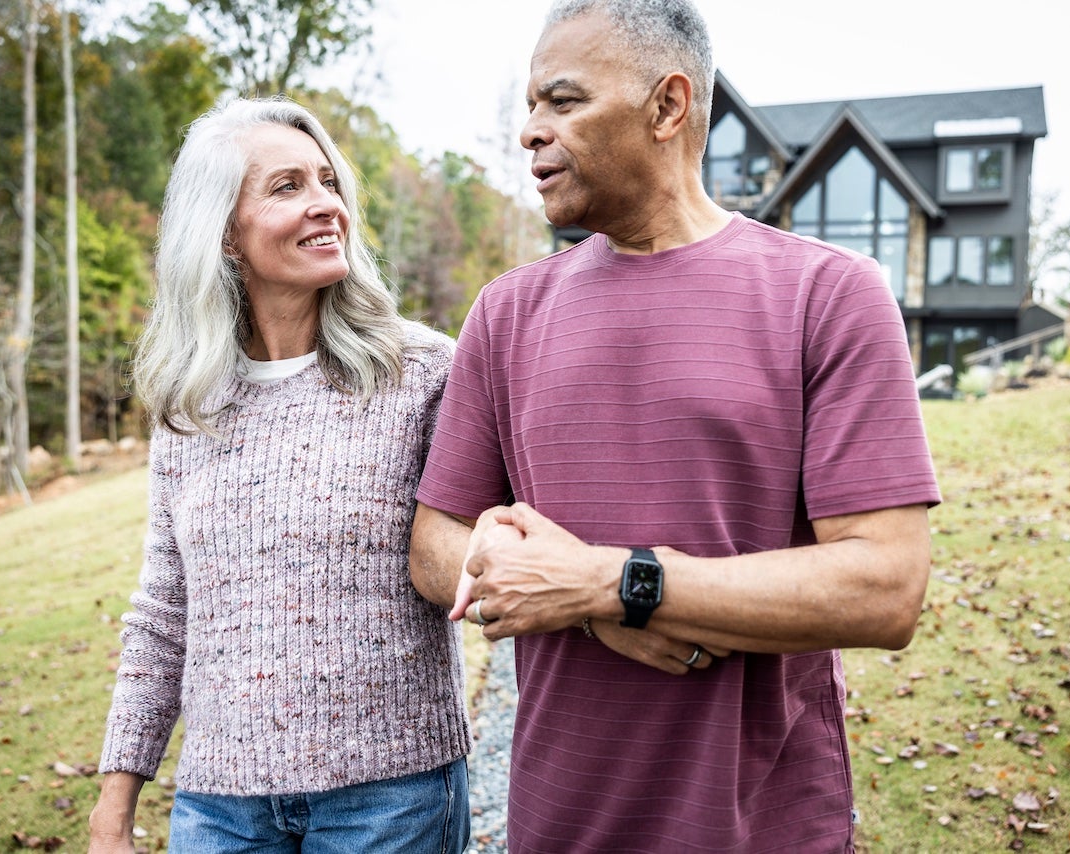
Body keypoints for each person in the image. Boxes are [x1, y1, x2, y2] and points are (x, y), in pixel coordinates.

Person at [409, 0, 941, 851]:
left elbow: (886, 587)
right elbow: (435, 547)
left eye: (563, 101)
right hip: (558, 823)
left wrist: (619, 584)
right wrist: (586, 604)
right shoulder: (506, 311)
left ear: (668, 106)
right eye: (530, 108)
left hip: (763, 827)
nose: (530, 133)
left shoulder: (830, 295)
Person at [88, 96, 470, 853]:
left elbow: (483, 549)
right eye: (288, 186)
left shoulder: (423, 371)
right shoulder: (189, 404)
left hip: (390, 800)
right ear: (225, 233)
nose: (326, 205)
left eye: (328, 182)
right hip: (219, 809)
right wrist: (114, 807)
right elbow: (164, 614)